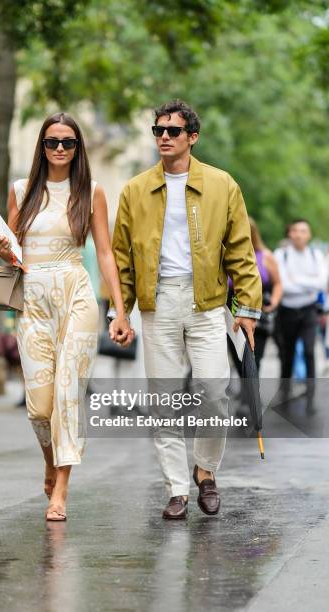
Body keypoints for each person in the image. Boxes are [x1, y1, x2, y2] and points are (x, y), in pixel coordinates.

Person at [109, 99, 262, 519]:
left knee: (214, 394)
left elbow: (241, 252)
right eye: (158, 131)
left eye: (172, 131)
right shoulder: (135, 190)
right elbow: (121, 257)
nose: (163, 137)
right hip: (156, 304)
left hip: (207, 303)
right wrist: (118, 313)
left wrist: (247, 307)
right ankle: (177, 488)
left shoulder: (221, 185)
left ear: (192, 137)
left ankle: (205, 471)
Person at [0, 112, 133, 521]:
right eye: (52, 142)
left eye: (67, 142)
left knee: (68, 393)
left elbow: (106, 253)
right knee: (39, 408)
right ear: (41, 146)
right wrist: (4, 251)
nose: (59, 149)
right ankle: (50, 462)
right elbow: (12, 249)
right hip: (33, 300)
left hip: (76, 294)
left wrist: (119, 310)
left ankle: (62, 492)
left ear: (77, 148)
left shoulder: (91, 191)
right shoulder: (21, 191)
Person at [274, 219, 328, 410]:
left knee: (309, 351)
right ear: (290, 233)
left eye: (303, 231)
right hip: (287, 311)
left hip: (308, 311)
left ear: (309, 235)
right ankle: (285, 390)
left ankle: (311, 394)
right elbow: (284, 286)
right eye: (295, 230)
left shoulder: (315, 255)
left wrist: (296, 280)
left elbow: (321, 283)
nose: (299, 234)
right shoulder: (281, 255)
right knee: (287, 353)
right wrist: (307, 282)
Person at [229, 217, 282, 372]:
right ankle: (248, 393)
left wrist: (273, 302)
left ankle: (251, 395)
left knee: (254, 360)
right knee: (238, 360)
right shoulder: (228, 256)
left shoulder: (265, 256)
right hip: (233, 312)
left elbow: (278, 283)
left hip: (260, 313)